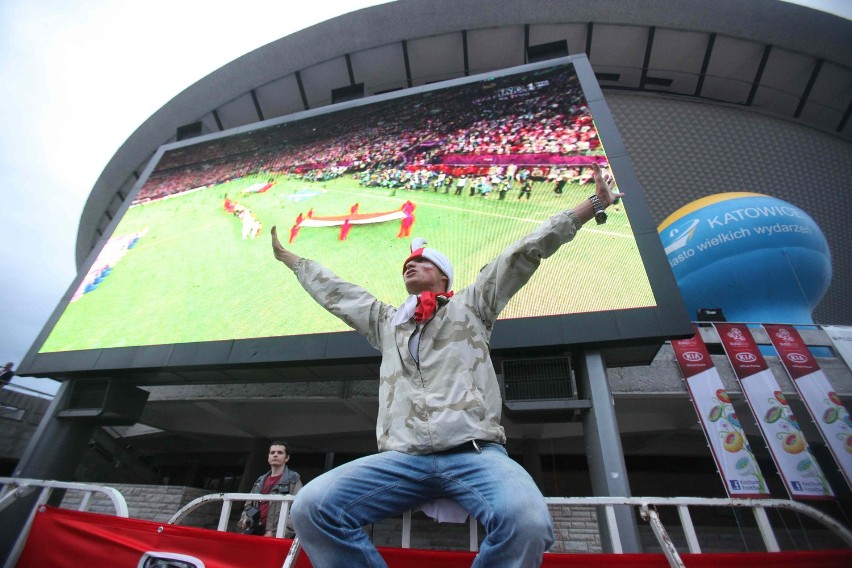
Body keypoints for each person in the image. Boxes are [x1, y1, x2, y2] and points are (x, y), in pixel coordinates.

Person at [270, 163, 621, 567]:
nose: (410, 264)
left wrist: (592, 203)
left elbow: (523, 252)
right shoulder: (387, 323)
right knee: (310, 507)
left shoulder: (472, 307)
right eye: (407, 263)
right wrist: (293, 260)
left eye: (423, 262)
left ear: (443, 277)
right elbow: (338, 294)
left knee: (526, 520)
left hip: (475, 454)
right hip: (402, 460)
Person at [238, 441, 302, 538]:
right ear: (268, 457)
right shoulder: (260, 481)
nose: (275, 455)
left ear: (287, 458)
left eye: (280, 452)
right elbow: (248, 506)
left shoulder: (293, 479)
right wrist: (245, 520)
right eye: (272, 453)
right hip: (254, 534)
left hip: (276, 538)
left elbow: (297, 510)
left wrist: (276, 533)